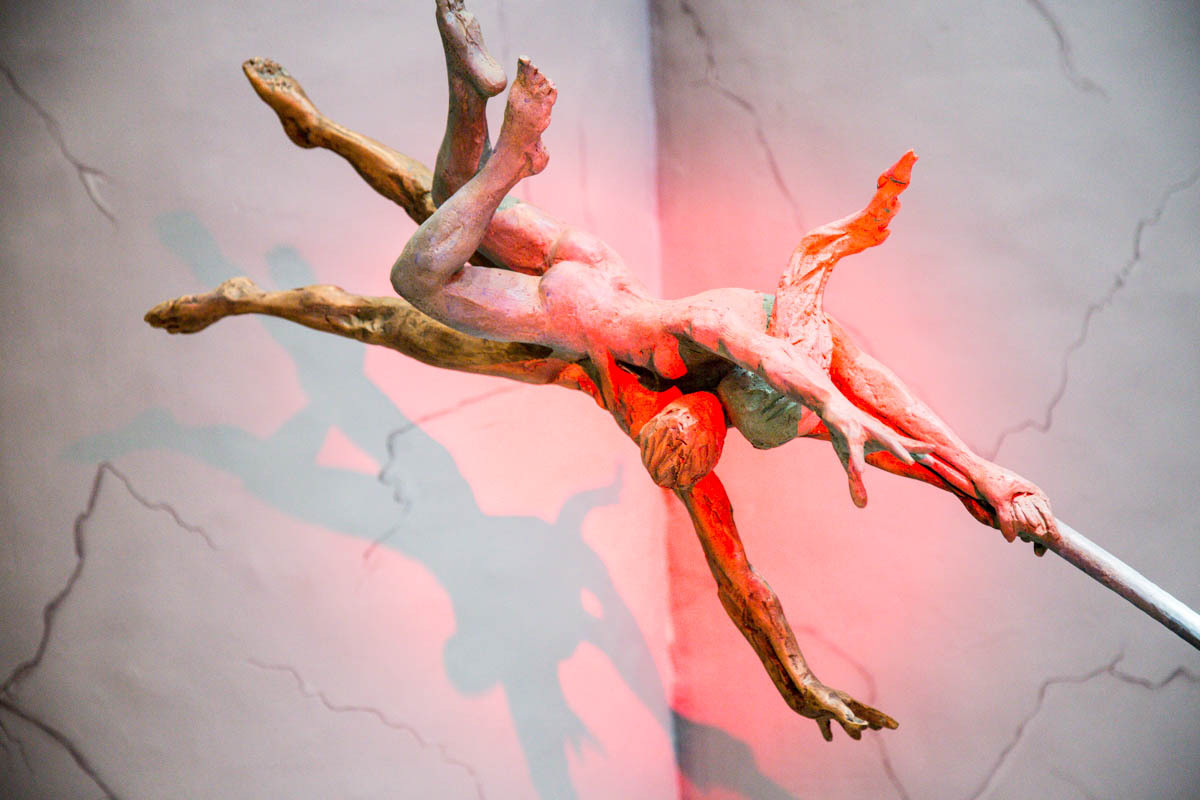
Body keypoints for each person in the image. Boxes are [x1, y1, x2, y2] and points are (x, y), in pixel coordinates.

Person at [145, 0, 1057, 739]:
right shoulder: (725, 351)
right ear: (713, 429)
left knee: (398, 278)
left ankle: (266, 265)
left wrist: (799, 678)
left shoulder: (677, 432)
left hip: (547, 328)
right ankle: (354, 139)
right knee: (424, 229)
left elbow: (747, 587)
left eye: (685, 436)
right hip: (577, 300)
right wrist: (969, 469)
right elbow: (849, 407)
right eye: (694, 431)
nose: (688, 425)